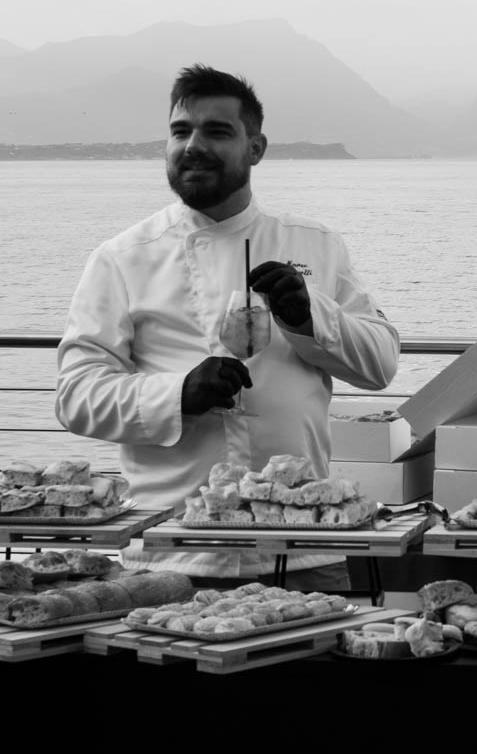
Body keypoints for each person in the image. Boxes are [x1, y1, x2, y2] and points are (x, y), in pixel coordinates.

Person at [55, 64, 401, 589]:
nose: (193, 146)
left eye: (216, 131)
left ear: (255, 148)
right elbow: (76, 396)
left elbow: (381, 365)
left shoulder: (316, 244)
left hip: (305, 549)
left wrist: (311, 316)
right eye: (180, 132)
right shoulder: (121, 258)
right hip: (171, 554)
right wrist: (176, 395)